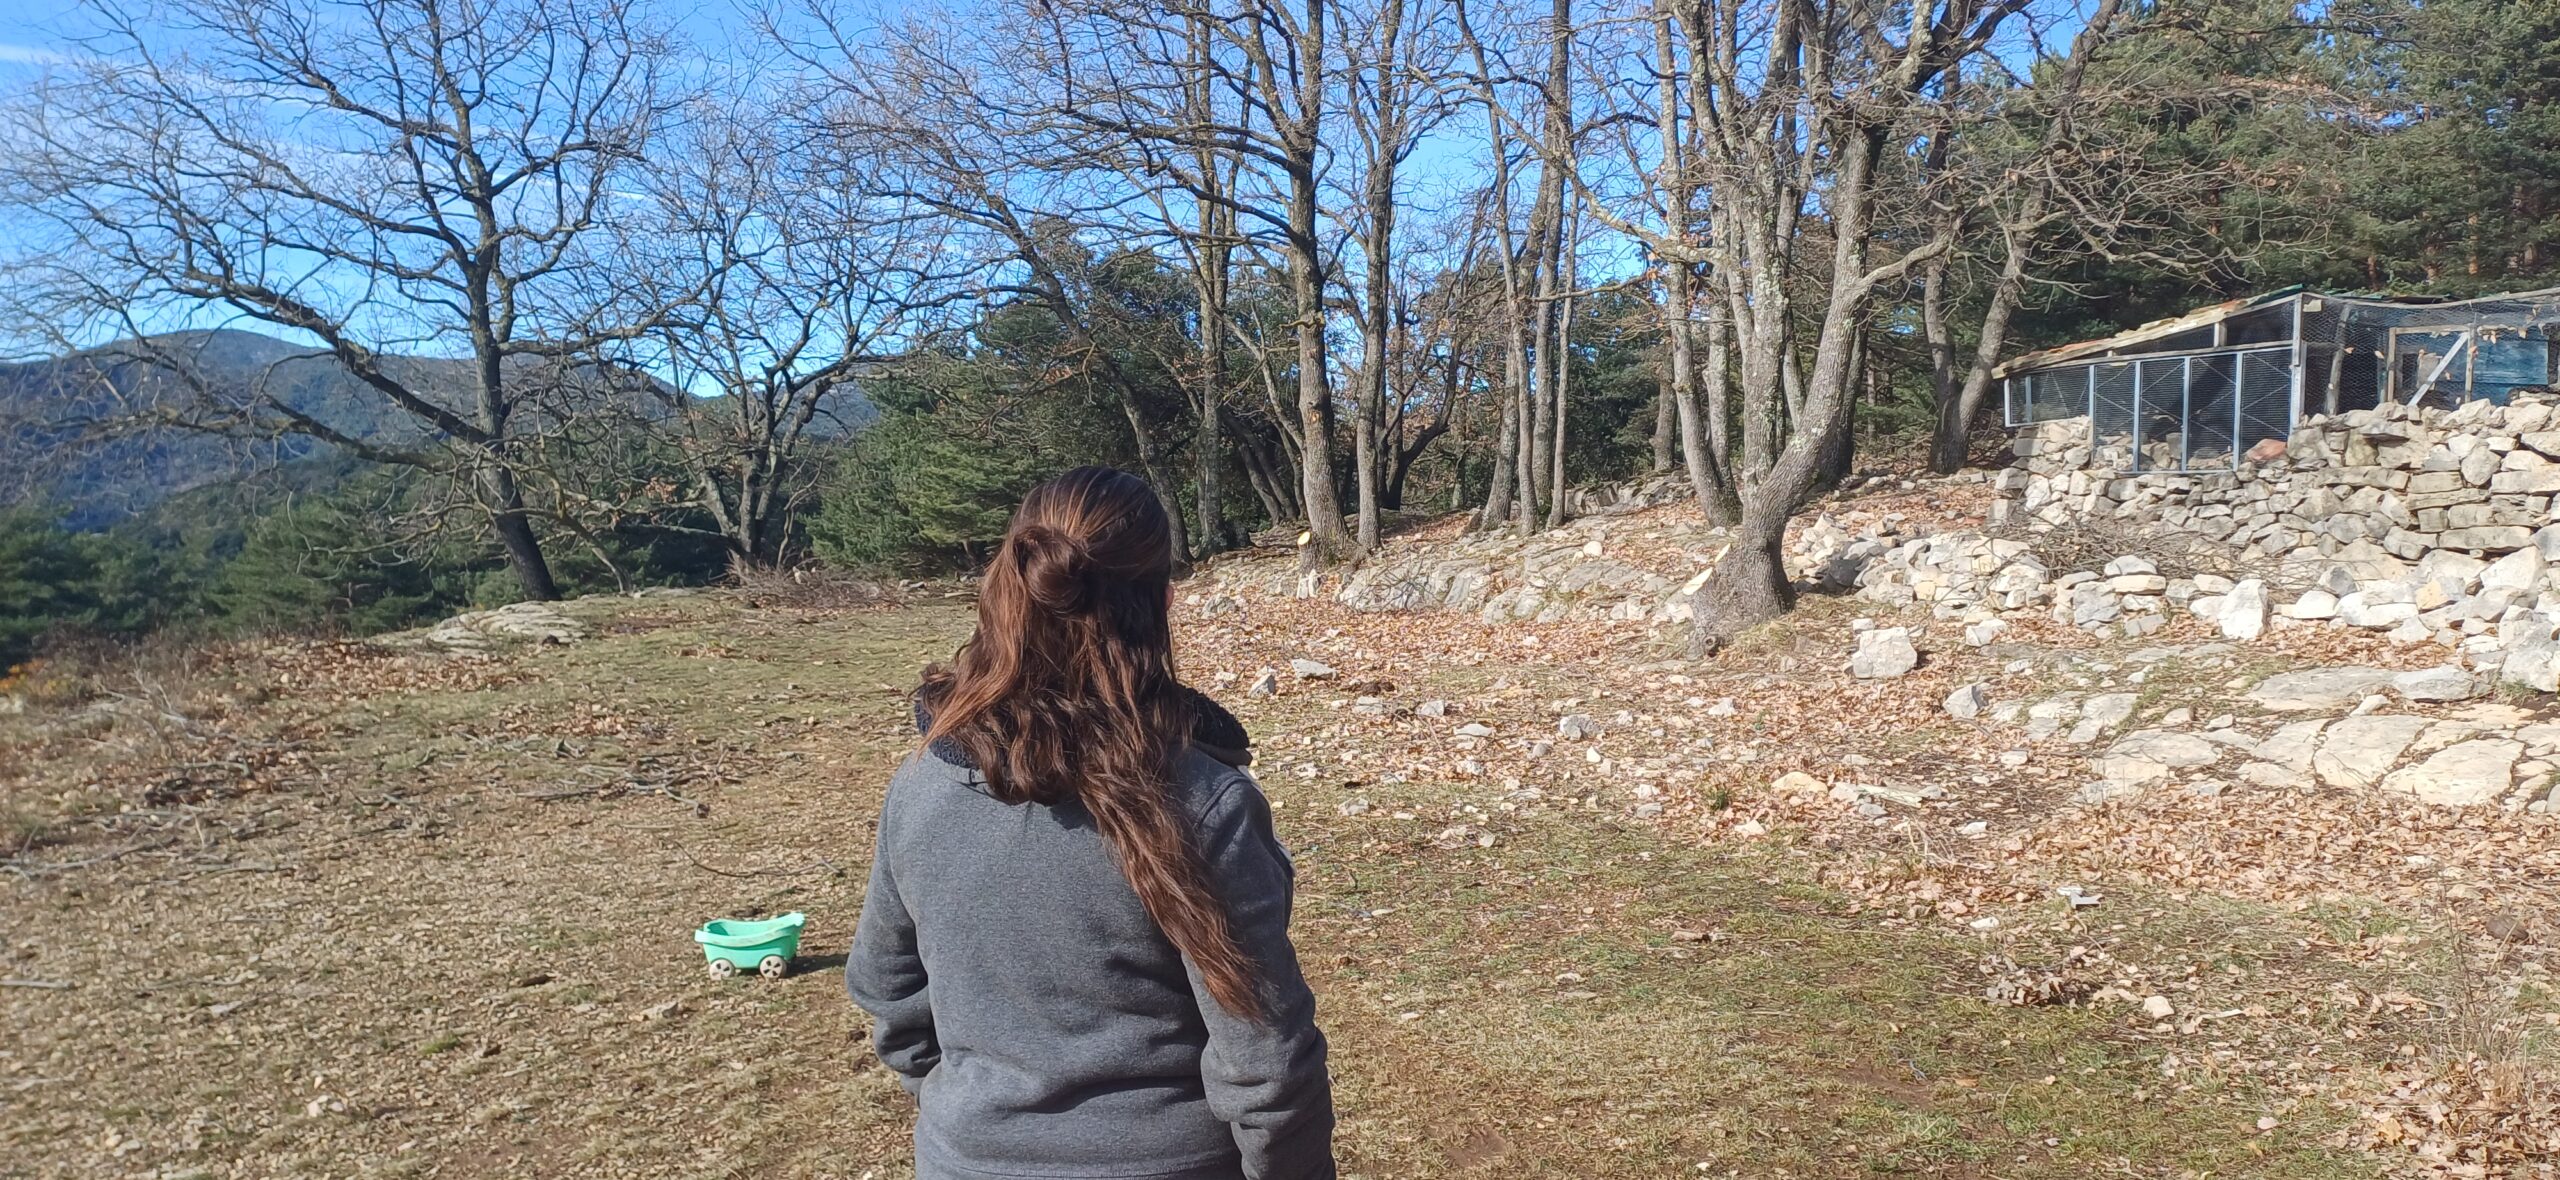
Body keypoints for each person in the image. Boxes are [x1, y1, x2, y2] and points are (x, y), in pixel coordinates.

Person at [847, 467, 1336, 1180]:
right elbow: (1266, 1061)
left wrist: (966, 1115)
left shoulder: (921, 781)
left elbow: (887, 990)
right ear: (1164, 601)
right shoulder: (1205, 802)